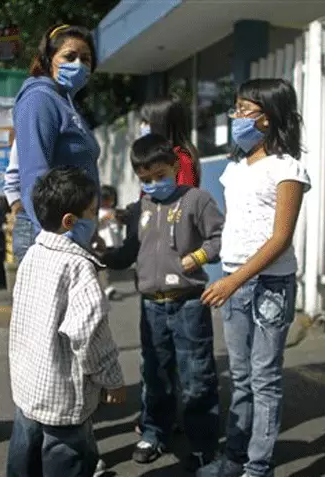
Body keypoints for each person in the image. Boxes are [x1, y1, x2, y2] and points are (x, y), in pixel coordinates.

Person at [196, 78, 311, 477]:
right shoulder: (234, 168)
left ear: (269, 117)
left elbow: (280, 239)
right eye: (236, 109)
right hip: (234, 281)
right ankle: (235, 459)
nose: (236, 117)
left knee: (264, 379)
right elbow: (237, 225)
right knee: (241, 378)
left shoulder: (287, 169)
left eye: (245, 110)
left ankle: (258, 467)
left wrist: (233, 281)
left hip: (268, 287)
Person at [102, 134, 223, 472]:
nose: (154, 184)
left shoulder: (197, 200)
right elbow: (129, 252)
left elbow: (217, 238)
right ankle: (155, 432)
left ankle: (203, 444)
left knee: (197, 375)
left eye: (160, 176)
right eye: (145, 180)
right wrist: (102, 256)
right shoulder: (139, 209)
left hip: (189, 304)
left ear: (174, 167)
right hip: (151, 305)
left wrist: (198, 256)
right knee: (154, 372)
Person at [7, 167, 126, 477]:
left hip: (28, 388)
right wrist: (111, 379)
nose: (96, 218)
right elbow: (89, 335)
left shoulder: (33, 254)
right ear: (70, 221)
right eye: (92, 212)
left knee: (24, 459)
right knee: (66, 459)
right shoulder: (79, 268)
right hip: (63, 397)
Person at [6, 24, 101, 264]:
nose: (79, 64)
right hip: (50, 235)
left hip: (71, 231)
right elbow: (35, 175)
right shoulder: (39, 99)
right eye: (70, 56)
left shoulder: (67, 104)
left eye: (86, 59)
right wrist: (57, 236)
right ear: (49, 59)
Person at [140, 96, 201, 187]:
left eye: (146, 122)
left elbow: (185, 198)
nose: (142, 126)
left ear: (160, 125)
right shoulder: (159, 157)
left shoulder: (181, 159)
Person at [98, 185, 123, 300]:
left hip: (112, 242)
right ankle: (106, 288)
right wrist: (104, 219)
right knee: (101, 266)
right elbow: (96, 224)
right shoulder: (98, 211)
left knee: (106, 265)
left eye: (111, 200)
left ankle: (104, 286)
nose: (109, 202)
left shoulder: (113, 211)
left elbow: (117, 227)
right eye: (106, 199)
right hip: (102, 242)